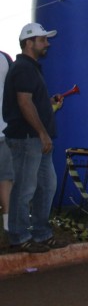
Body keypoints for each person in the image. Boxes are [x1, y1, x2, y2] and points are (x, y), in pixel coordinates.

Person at [2, 23, 67, 252]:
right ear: (29, 43)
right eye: (43, 40)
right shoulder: (23, 68)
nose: (47, 43)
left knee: (46, 186)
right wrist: (41, 132)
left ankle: (41, 233)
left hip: (36, 139)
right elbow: (24, 102)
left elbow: (28, 101)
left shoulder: (29, 68)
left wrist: (47, 103)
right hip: (27, 139)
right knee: (25, 188)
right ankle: (19, 237)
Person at [0, 49, 15, 240]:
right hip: (5, 129)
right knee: (6, 179)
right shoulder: (4, 58)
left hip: (4, 130)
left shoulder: (4, 59)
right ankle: (8, 225)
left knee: (6, 178)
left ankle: (8, 225)